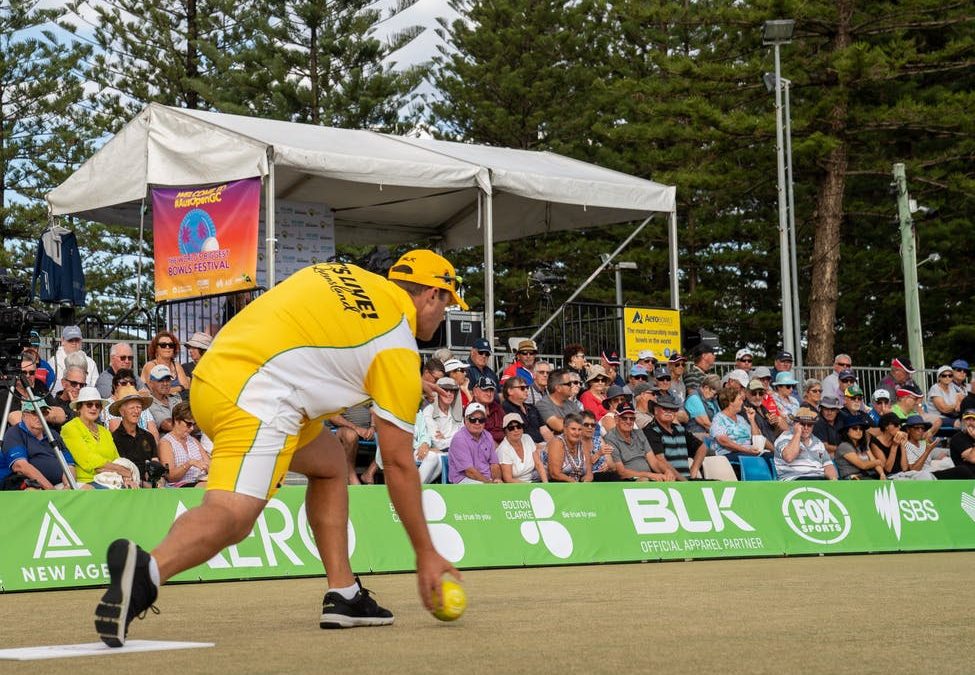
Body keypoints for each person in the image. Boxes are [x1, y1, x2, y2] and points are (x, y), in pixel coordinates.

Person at [93, 250, 463, 647]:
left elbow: (326, 339)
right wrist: (426, 553)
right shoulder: (398, 348)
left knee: (329, 462)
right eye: (447, 304)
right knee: (232, 516)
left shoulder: (342, 272)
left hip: (216, 374)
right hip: (258, 396)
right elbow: (399, 464)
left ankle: (345, 594)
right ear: (430, 295)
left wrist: (403, 380)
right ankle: (146, 572)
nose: (445, 316)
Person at [61, 387, 138, 488]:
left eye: (97, 405)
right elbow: (89, 462)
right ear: (79, 407)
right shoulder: (70, 428)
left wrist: (126, 478)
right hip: (87, 482)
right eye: (89, 404)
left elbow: (116, 459)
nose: (94, 408)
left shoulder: (104, 431)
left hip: (112, 480)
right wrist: (124, 471)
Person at [1, 400, 75, 490]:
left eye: (43, 412)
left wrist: (68, 486)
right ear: (24, 415)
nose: (40, 416)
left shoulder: (53, 434)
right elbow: (20, 466)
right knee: (32, 492)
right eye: (35, 412)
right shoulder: (15, 433)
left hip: (61, 485)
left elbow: (69, 464)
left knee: (88, 488)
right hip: (33, 485)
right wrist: (51, 490)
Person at [643, 393, 705, 480]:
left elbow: (702, 447)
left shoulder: (680, 429)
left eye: (672, 409)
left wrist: (694, 469)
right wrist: (683, 480)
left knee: (717, 483)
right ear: (656, 410)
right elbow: (660, 460)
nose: (669, 411)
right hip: (668, 482)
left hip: (687, 481)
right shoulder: (650, 430)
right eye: (665, 408)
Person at [110, 387, 159, 486]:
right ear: (122, 412)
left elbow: (155, 460)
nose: (136, 411)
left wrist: (157, 477)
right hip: (128, 486)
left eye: (139, 407)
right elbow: (120, 468)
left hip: (152, 485)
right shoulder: (114, 438)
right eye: (132, 408)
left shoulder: (148, 436)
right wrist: (142, 483)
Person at [603, 404, 665, 481]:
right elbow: (621, 472)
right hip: (629, 481)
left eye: (632, 418)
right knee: (644, 480)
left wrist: (667, 471)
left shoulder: (639, 433)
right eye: (624, 418)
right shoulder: (610, 438)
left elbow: (654, 462)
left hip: (648, 478)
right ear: (616, 419)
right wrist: (649, 475)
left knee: (668, 478)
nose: (628, 421)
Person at [773, 407, 838, 481]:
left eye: (810, 424)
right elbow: (789, 457)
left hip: (818, 480)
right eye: (802, 424)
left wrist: (833, 480)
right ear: (795, 424)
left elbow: (828, 465)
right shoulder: (784, 437)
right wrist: (797, 433)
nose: (806, 427)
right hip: (794, 480)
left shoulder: (818, 442)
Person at [157, 402, 209, 488]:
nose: (192, 428)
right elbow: (170, 476)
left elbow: (209, 465)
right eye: (189, 424)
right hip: (180, 486)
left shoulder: (193, 440)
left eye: (193, 424)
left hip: (200, 481)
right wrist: (189, 463)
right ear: (177, 421)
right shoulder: (166, 443)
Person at [448, 402, 501, 484]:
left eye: (481, 420)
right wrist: (488, 483)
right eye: (473, 419)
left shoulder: (487, 435)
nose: (477, 423)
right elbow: (469, 472)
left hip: (486, 480)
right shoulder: (459, 439)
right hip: (464, 479)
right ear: (465, 420)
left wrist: (497, 479)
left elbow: (494, 464)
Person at [104, 369, 160, 442]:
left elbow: (154, 432)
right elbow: (117, 432)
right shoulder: (109, 405)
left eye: (132, 383)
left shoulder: (141, 403)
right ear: (115, 386)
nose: (128, 385)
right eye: (123, 383)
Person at [710, 387, 764, 460]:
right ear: (730, 402)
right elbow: (723, 441)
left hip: (748, 452)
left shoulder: (741, 418)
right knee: (756, 460)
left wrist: (752, 420)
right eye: (739, 399)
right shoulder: (718, 418)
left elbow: (757, 438)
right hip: (729, 454)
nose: (742, 402)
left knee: (771, 457)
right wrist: (746, 450)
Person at [328, 403, 376, 486]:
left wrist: (373, 427)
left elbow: (373, 411)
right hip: (343, 429)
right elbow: (333, 417)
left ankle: (370, 472)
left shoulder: (365, 392)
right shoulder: (336, 393)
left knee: (392, 437)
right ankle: (350, 475)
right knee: (351, 435)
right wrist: (356, 428)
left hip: (368, 431)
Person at [496, 413, 547, 483]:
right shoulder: (503, 449)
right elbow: (508, 479)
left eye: (519, 426)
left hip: (533, 478)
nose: (516, 430)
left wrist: (546, 484)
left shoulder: (527, 438)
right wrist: (529, 487)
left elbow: (538, 464)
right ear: (505, 431)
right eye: (511, 428)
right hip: (516, 485)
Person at [833, 413, 885, 480]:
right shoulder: (844, 446)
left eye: (861, 429)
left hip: (867, 477)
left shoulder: (863, 445)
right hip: (851, 479)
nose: (858, 431)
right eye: (855, 428)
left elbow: (873, 460)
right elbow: (863, 465)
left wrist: (882, 474)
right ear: (847, 431)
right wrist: (878, 461)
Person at [140, 331, 191, 397]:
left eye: (171, 345)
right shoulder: (150, 365)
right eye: (163, 345)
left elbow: (186, 386)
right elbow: (156, 391)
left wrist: (170, 390)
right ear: (156, 348)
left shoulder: (176, 365)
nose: (167, 347)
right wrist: (180, 388)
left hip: (178, 403)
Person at [501, 376, 550, 446]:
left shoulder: (532, 407)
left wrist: (552, 445)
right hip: (525, 449)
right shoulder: (505, 409)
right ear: (510, 391)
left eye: (527, 387)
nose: (526, 390)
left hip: (542, 446)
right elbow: (516, 436)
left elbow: (544, 430)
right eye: (522, 388)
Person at [422, 378, 464, 454]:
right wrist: (456, 438)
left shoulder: (458, 412)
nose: (449, 394)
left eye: (452, 391)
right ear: (437, 392)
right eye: (445, 390)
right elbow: (438, 444)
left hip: (458, 452)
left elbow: (465, 438)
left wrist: (445, 438)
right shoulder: (429, 411)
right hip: (438, 454)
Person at [547, 413, 592, 482]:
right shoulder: (557, 442)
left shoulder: (583, 444)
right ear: (565, 429)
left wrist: (585, 482)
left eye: (579, 429)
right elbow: (555, 473)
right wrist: (575, 485)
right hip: (555, 485)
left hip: (576, 486)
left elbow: (589, 473)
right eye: (573, 429)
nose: (577, 433)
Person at [53, 325, 98, 392]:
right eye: (70, 340)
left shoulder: (91, 363)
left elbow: (95, 387)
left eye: (77, 340)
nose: (74, 343)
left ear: (81, 341)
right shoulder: (53, 362)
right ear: (63, 340)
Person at [535, 369, 582, 434]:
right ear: (558, 388)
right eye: (569, 384)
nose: (572, 386)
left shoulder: (572, 404)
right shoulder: (543, 404)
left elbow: (585, 423)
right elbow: (559, 426)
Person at [871, 412, 910, 477]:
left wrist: (903, 446)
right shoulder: (875, 443)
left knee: (924, 475)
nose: (899, 427)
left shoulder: (898, 439)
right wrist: (894, 446)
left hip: (903, 475)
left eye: (900, 424)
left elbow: (905, 468)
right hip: (891, 477)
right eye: (896, 425)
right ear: (886, 426)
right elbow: (887, 470)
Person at [684, 373, 720, 443]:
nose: (714, 397)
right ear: (706, 387)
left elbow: (721, 417)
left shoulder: (712, 399)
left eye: (716, 394)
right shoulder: (694, 398)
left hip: (711, 434)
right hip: (696, 435)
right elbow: (705, 423)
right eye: (713, 393)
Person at [146, 364, 182, 433]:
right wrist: (190, 424)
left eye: (168, 380)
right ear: (151, 383)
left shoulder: (175, 397)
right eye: (160, 380)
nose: (165, 383)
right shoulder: (148, 403)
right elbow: (168, 425)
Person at [49, 365, 85, 431]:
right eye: (74, 383)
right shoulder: (53, 404)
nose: (78, 387)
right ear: (63, 383)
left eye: (82, 385)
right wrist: (75, 409)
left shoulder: (88, 404)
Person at [582, 409, 615, 480]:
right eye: (586, 425)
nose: (590, 427)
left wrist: (607, 465)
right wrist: (598, 454)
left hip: (604, 475)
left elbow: (612, 465)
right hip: (586, 477)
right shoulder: (576, 442)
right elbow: (581, 467)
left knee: (614, 475)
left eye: (593, 425)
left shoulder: (598, 439)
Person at [471, 377, 504, 444]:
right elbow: (477, 437)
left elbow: (508, 428)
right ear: (475, 391)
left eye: (491, 390)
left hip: (504, 445)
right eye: (485, 390)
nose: (489, 394)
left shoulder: (497, 407)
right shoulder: (471, 410)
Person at [947, 409, 975, 478]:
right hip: (968, 477)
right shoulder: (958, 438)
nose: (971, 422)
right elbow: (973, 458)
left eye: (974, 419)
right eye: (968, 419)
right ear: (963, 422)